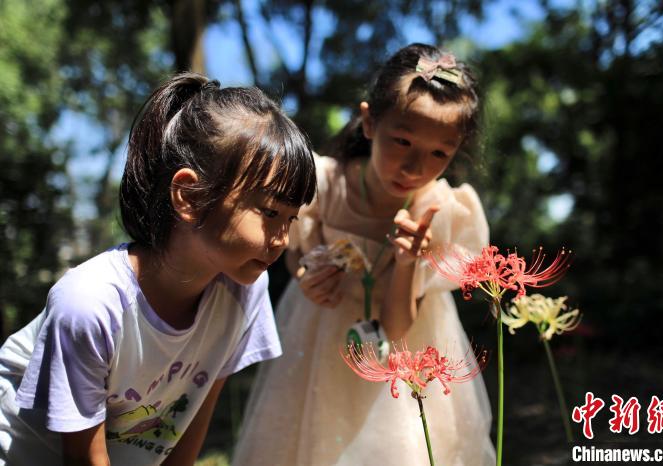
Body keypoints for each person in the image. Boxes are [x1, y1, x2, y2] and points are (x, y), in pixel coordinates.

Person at [0, 72, 316, 466]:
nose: (282, 239)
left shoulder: (245, 291)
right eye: (270, 212)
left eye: (291, 219)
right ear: (188, 196)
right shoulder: (90, 304)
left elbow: (190, 421)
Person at [232, 43, 495, 465]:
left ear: (456, 149)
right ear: (370, 121)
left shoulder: (441, 213)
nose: (414, 167)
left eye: (438, 154)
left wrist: (408, 262)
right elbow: (296, 254)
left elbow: (396, 325)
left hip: (404, 360)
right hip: (319, 342)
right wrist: (307, 275)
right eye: (402, 141)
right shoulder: (325, 185)